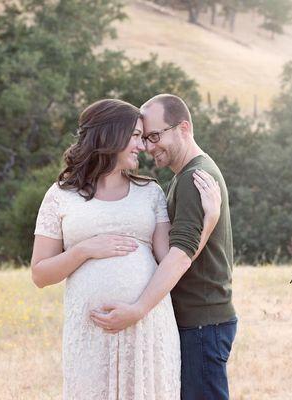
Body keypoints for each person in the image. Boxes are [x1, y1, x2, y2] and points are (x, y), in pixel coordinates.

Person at [30, 98, 221, 399]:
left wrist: (207, 223)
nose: (142, 146)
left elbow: (172, 261)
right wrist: (85, 250)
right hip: (91, 334)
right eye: (135, 136)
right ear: (109, 136)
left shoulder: (150, 193)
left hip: (148, 329)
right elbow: (40, 274)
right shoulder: (60, 196)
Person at [89, 94, 237, 400]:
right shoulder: (184, 176)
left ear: (183, 128)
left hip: (201, 323)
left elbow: (180, 256)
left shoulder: (194, 178)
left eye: (155, 135)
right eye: (144, 138)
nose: (148, 146)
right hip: (197, 322)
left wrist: (138, 309)